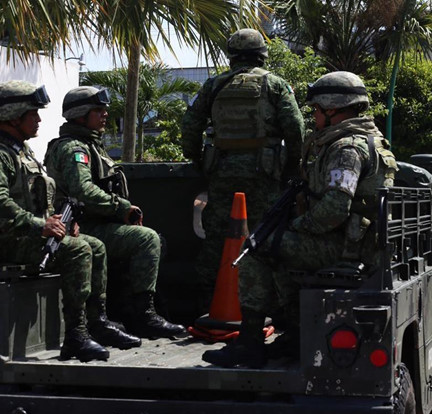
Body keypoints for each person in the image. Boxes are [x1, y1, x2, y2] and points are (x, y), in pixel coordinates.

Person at [202, 71, 398, 368]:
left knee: (256, 251)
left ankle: (249, 343)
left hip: (346, 248)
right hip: (358, 243)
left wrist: (296, 227)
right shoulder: (365, 140)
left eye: (317, 109)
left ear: (333, 109)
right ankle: (296, 334)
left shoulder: (346, 148)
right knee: (277, 250)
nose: (314, 116)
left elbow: (334, 209)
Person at [0, 80, 140, 362]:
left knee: (95, 246)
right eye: (32, 114)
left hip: (28, 234)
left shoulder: (20, 151)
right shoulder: (3, 154)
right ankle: (75, 335)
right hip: (10, 240)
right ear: (13, 117)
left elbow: (39, 196)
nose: (39, 120)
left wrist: (61, 221)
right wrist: (41, 225)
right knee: (78, 250)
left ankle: (96, 322)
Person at [44, 86, 185, 339]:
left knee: (155, 240)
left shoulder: (90, 145)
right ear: (80, 115)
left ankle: (130, 311)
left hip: (96, 223)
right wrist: (121, 207)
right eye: (98, 110)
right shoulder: (74, 148)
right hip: (82, 226)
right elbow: (83, 190)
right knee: (147, 239)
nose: (105, 115)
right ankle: (144, 316)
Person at [180, 28, 305, 313]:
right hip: (264, 171)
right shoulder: (275, 83)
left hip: (222, 169)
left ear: (232, 56)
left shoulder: (214, 85)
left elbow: (191, 124)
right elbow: (295, 127)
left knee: (216, 236)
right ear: (262, 55)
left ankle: (206, 304)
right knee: (266, 235)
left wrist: (197, 160)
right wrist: (291, 166)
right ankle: (269, 309)